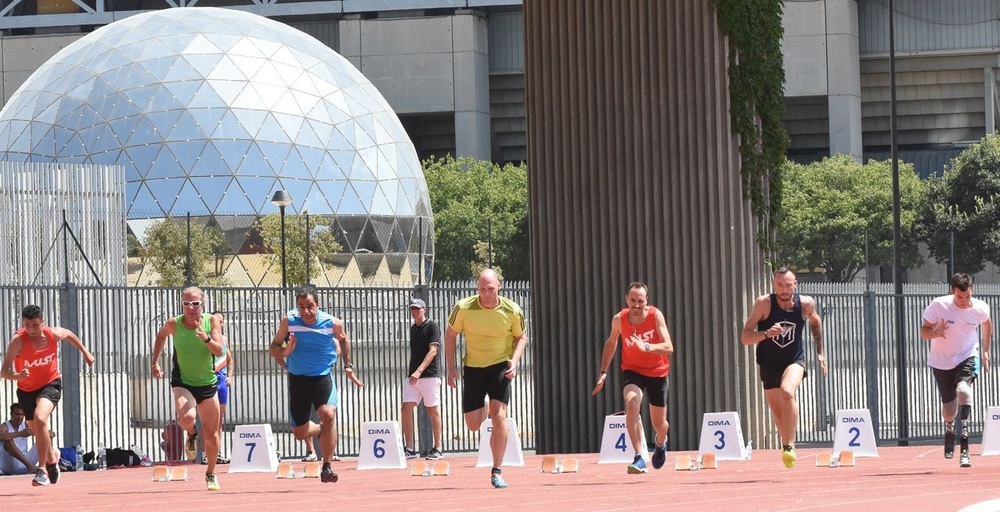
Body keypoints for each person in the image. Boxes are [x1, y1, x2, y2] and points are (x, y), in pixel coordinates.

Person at [269, 284, 363, 483]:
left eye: (310, 306)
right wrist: (285, 352)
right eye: (301, 307)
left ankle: (327, 466)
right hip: (298, 379)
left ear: (318, 305)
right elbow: (274, 347)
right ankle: (322, 431)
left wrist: (349, 366)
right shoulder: (289, 321)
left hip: (322, 377)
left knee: (328, 414)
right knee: (299, 432)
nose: (306, 311)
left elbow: (344, 340)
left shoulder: (332, 323)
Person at [445, 268, 527, 489]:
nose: (487, 294)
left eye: (490, 289)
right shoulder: (463, 308)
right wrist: (451, 368)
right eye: (482, 289)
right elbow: (450, 334)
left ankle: (497, 471)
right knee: (473, 425)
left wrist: (515, 361)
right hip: (473, 368)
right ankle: (485, 405)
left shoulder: (512, 310)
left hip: (500, 366)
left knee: (499, 416)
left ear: (499, 286)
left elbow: (521, 337)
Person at [741, 268, 826, 469]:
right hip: (769, 364)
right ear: (773, 285)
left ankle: (790, 446)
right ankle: (786, 444)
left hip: (794, 360)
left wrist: (821, 352)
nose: (784, 289)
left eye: (788, 285)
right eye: (780, 285)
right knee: (779, 417)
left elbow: (815, 321)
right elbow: (745, 337)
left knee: (788, 391)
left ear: (795, 284)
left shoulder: (805, 304)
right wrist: (766, 334)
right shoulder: (764, 303)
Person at [0, 304, 94, 486]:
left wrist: (85, 352)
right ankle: (52, 458)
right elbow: (4, 371)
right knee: (36, 429)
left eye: (35, 325)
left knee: (41, 418)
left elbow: (69, 334)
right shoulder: (18, 341)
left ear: (42, 322)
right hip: (26, 390)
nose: (31, 330)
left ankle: (42, 469)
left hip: (50, 383)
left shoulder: (53, 334)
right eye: (27, 326)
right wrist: (17, 376)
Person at [592, 282, 674, 474]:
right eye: (632, 300)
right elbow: (611, 344)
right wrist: (603, 372)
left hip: (657, 371)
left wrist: (647, 347)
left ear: (646, 301)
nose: (636, 305)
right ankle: (639, 456)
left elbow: (669, 347)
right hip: (632, 370)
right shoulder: (619, 320)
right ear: (626, 299)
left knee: (660, 425)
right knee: (631, 403)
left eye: (640, 301)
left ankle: (661, 443)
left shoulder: (655, 315)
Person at [151, 286, 225, 491]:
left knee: (212, 436)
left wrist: (206, 338)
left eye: (195, 303)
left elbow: (220, 351)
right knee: (187, 418)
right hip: (183, 382)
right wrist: (154, 362)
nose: (190, 308)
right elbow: (160, 336)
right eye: (186, 303)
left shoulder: (212, 322)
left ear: (203, 304)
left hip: (208, 383)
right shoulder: (175, 324)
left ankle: (210, 473)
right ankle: (191, 433)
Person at [919, 272, 992, 468]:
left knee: (963, 389)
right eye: (960, 297)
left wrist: (985, 351)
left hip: (967, 355)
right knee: (949, 409)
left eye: (967, 295)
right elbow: (923, 332)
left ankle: (965, 440)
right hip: (941, 361)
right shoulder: (938, 305)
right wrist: (936, 332)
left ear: (972, 290)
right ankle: (949, 428)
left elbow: (987, 324)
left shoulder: (979, 308)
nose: (964, 301)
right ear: (953, 292)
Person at [401, 298, 443, 460]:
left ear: (424, 309)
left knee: (432, 410)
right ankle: (410, 449)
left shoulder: (432, 326)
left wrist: (419, 371)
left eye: (418, 308)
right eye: (412, 309)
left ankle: (438, 448)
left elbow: (433, 351)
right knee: (406, 408)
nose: (415, 311)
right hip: (413, 377)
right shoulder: (413, 328)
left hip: (429, 375)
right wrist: (414, 373)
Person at [201, 310, 233, 466]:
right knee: (206, 421)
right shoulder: (205, 338)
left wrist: (230, 376)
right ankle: (204, 453)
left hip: (221, 380)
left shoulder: (224, 339)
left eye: (221, 321)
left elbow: (230, 359)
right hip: (208, 378)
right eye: (216, 321)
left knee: (219, 420)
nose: (219, 324)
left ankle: (216, 452)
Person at [0, 403, 58, 477]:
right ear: (11, 414)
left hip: (25, 462)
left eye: (22, 414)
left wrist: (42, 434)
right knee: (8, 441)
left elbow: (51, 434)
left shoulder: (26, 425)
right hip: (9, 466)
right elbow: (1, 436)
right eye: (17, 414)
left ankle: (49, 465)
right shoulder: (5, 426)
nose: (20, 417)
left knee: (46, 438)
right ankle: (31, 467)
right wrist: (20, 433)